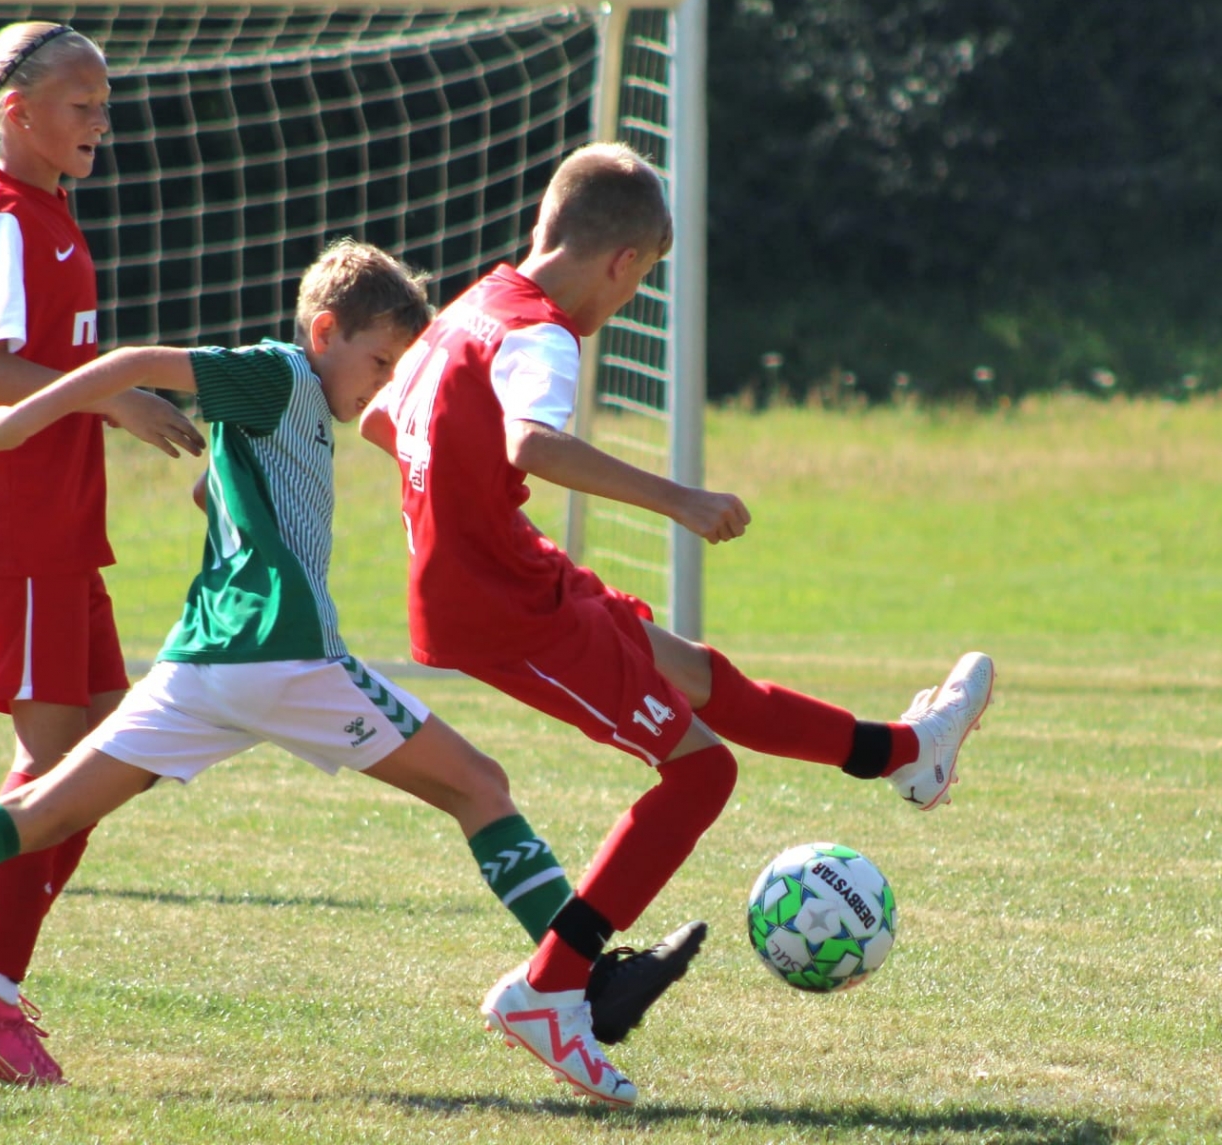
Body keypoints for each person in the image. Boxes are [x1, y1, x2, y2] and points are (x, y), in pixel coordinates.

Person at [0, 240, 700, 1099]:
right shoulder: (282, 374)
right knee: (479, 785)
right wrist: (16, 421)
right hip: (286, 656)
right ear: (325, 333)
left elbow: (224, 484)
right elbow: (135, 364)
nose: (383, 381)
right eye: (379, 361)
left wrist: (222, 485)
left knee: (40, 812)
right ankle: (581, 982)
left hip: (201, 664)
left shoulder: (296, 407)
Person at [358, 142, 997, 1104]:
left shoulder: (473, 305)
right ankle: (549, 990)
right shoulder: (540, 333)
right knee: (702, 771)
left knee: (696, 674)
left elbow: (383, 418)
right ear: (623, 262)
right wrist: (680, 499)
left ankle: (908, 751)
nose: (627, 301)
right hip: (500, 606)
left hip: (510, 570)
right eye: (639, 280)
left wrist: (459, 499)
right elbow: (532, 441)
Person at [0, 22, 204, 1081]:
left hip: (57, 516)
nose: (102, 123)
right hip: (15, 516)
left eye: (106, 105)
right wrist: (117, 398)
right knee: (63, 765)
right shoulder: (2, 212)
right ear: (17, 113)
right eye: (84, 105)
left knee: (118, 753)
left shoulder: (28, 205)